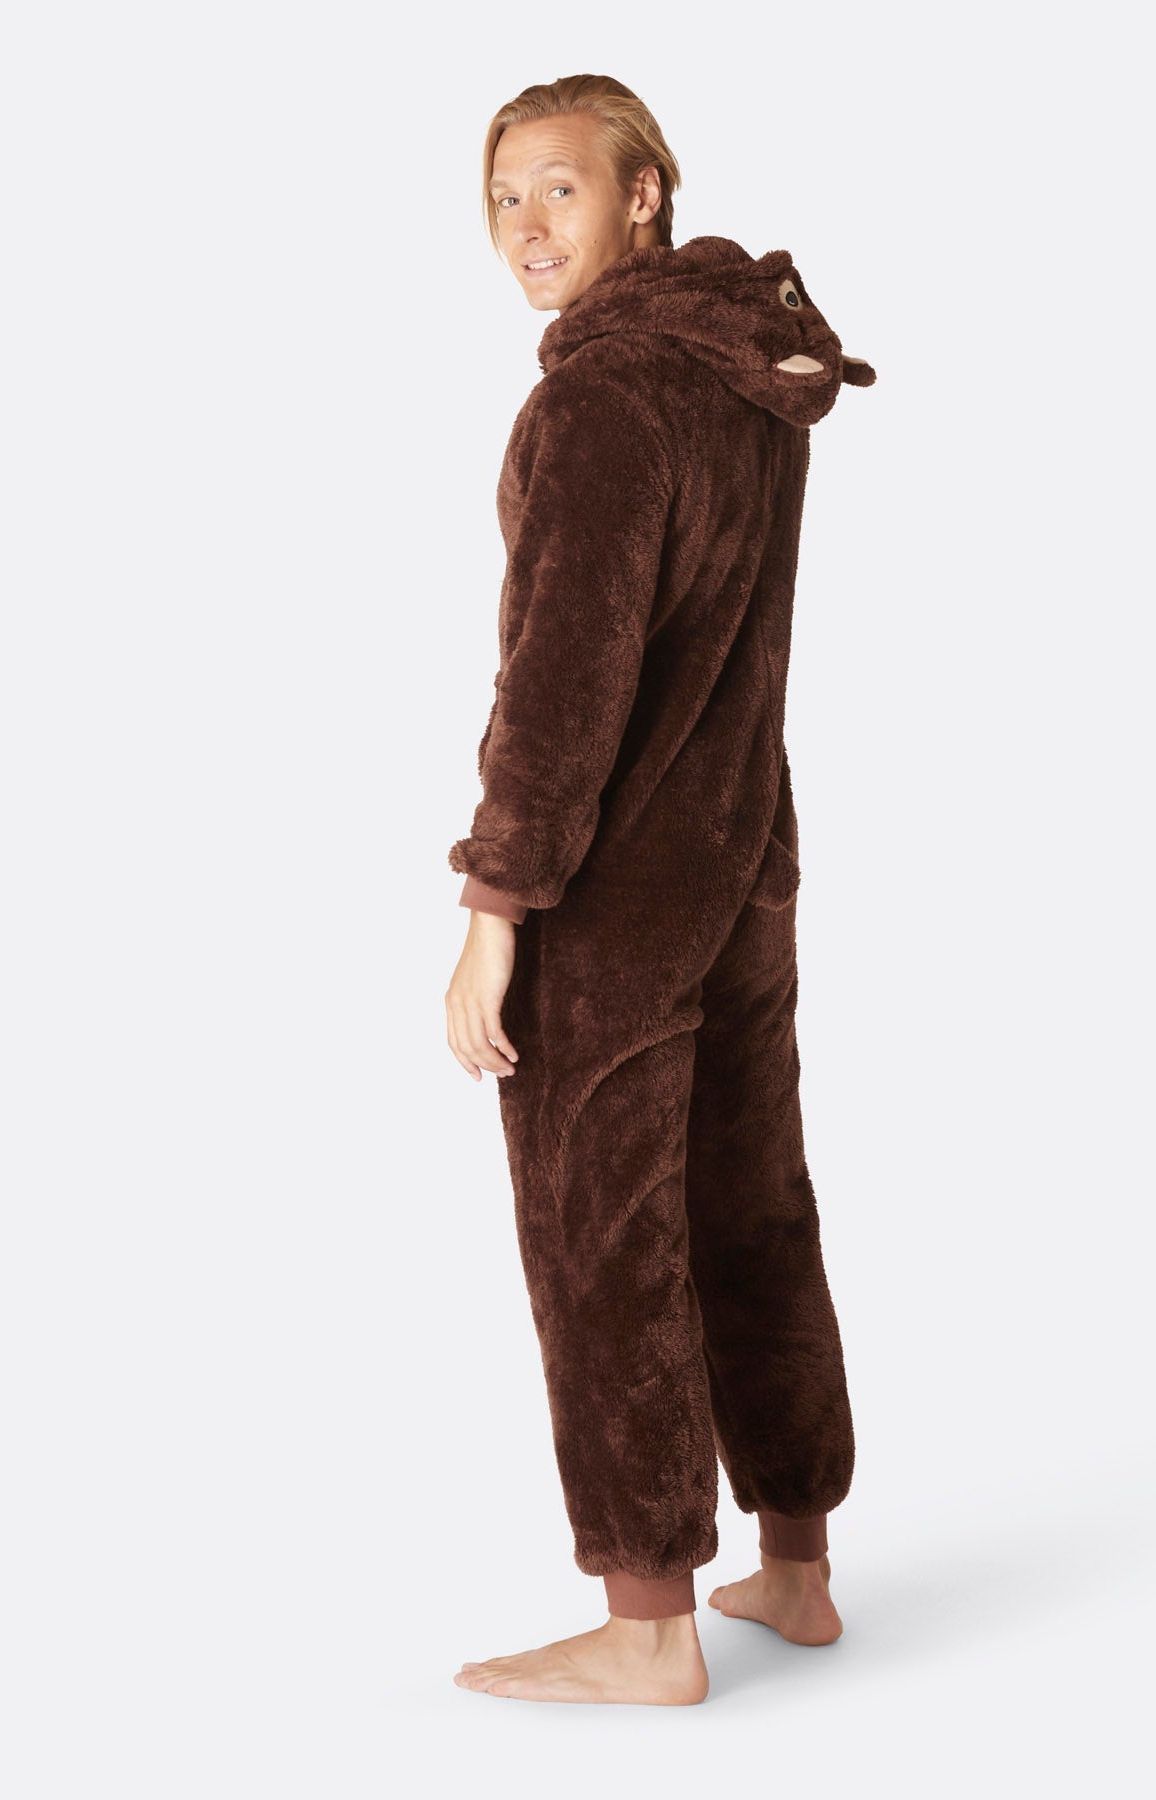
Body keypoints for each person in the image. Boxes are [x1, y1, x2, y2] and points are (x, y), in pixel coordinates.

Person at [443, 72, 876, 1706]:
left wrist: (495, 913)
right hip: (742, 856)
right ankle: (797, 1566)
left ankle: (646, 1627)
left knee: (604, 1237)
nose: (524, 227)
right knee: (751, 1203)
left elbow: (563, 687)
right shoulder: (746, 377)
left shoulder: (606, 397)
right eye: (503, 199)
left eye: (557, 188)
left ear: (644, 192)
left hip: (616, 890)